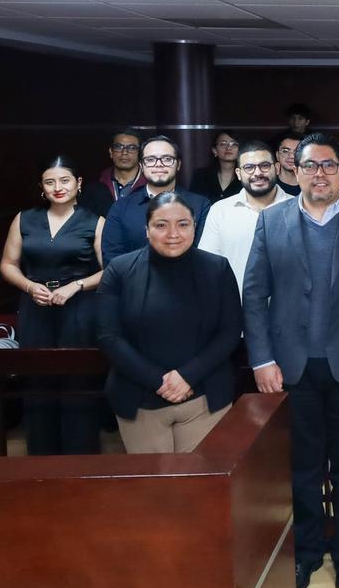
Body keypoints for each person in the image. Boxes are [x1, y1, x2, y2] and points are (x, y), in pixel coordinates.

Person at [243, 132, 339, 588]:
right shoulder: (272, 220)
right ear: (296, 171)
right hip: (292, 369)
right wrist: (262, 358)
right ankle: (307, 552)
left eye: (329, 165)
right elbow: (254, 295)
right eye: (310, 166)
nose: (320, 174)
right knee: (302, 468)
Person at [97, 192, 240, 454]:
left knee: (203, 478)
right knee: (152, 481)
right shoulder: (119, 270)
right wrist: (159, 381)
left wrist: (187, 376)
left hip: (205, 397)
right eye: (161, 225)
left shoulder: (217, 269)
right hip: (139, 399)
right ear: (147, 229)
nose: (173, 233)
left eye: (182, 224)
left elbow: (230, 332)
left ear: (194, 227)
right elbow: (109, 337)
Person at [0, 156, 105, 455]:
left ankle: (81, 455)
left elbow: (111, 270)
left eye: (64, 180)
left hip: (79, 307)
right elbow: (8, 264)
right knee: (37, 378)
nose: (58, 187)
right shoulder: (24, 219)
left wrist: (76, 285)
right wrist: (29, 286)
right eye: (50, 182)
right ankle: (41, 455)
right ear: (41, 187)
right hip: (36, 306)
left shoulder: (95, 222)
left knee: (78, 379)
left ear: (78, 183)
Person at [198, 140, 292, 290]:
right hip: (234, 301)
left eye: (264, 166)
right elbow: (207, 266)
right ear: (238, 174)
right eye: (249, 167)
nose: (257, 173)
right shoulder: (220, 211)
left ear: (277, 168)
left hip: (287, 302)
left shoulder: (297, 208)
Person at [102, 135, 211, 263]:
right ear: (141, 165)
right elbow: (112, 259)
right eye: (150, 159)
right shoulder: (121, 207)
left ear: (178, 165)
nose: (159, 164)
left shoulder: (200, 205)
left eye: (167, 159)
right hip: (133, 276)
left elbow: (203, 257)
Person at [80, 128, 144, 218]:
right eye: (118, 147)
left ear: (140, 153)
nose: (124, 152)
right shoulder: (95, 187)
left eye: (132, 148)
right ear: (111, 152)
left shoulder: (150, 185)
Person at [188, 129, 243, 203]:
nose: (228, 148)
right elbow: (193, 203)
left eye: (234, 144)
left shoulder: (244, 177)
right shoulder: (201, 176)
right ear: (215, 151)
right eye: (223, 144)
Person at [274, 131, 303, 196]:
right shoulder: (269, 185)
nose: (292, 156)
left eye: (297, 151)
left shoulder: (311, 185)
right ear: (277, 156)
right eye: (285, 151)